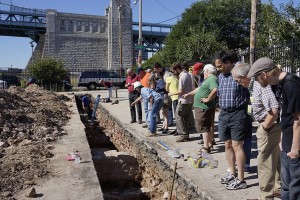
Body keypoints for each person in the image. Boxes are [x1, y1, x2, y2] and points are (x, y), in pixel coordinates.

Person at [248, 57, 300, 200]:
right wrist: (283, 139)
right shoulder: (280, 85)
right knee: (286, 186)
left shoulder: (291, 84)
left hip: (295, 146)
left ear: (264, 75)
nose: (257, 82)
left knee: (295, 188)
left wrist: (295, 149)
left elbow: (298, 119)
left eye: (257, 78)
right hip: (287, 143)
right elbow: (284, 115)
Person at [232, 62, 281, 199]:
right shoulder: (255, 84)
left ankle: (265, 196)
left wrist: (265, 127)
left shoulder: (259, 84)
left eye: (237, 80)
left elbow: (274, 109)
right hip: (270, 125)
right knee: (274, 160)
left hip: (269, 126)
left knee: (264, 162)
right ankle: (277, 188)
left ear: (243, 76)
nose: (238, 83)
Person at [216, 51, 251, 190]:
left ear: (228, 63)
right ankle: (232, 173)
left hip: (238, 112)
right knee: (227, 144)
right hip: (224, 113)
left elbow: (249, 89)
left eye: (220, 66)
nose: (218, 69)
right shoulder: (221, 76)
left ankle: (241, 179)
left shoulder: (239, 72)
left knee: (238, 145)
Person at [183, 64, 218, 153]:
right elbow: (199, 89)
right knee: (206, 126)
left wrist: (208, 99)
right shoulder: (207, 80)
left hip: (203, 107)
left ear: (207, 71)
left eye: (204, 72)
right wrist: (188, 94)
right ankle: (209, 144)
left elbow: (215, 89)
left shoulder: (212, 78)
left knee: (204, 127)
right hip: (202, 107)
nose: (203, 73)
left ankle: (206, 147)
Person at [168, 62, 194, 142]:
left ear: (178, 69)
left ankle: (182, 134)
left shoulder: (182, 76)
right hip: (189, 100)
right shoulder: (189, 75)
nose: (174, 73)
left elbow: (180, 91)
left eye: (174, 71)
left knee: (178, 116)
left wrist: (170, 93)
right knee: (185, 117)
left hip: (183, 100)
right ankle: (186, 134)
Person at [166, 64, 179, 135]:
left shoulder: (169, 78)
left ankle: (178, 129)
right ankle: (178, 128)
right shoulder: (178, 77)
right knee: (178, 114)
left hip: (173, 97)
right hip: (179, 97)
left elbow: (167, 89)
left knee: (176, 114)